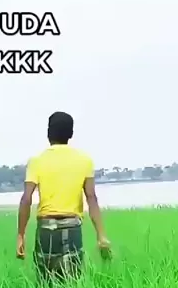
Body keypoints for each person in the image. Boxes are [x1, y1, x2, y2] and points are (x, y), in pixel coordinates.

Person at [16, 112, 110, 278]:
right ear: (71, 134)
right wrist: (101, 236)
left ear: (48, 133)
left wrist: (21, 236)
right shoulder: (84, 160)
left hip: (45, 230)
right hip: (72, 228)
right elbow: (91, 198)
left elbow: (26, 199)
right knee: (72, 285)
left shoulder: (37, 161)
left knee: (45, 285)